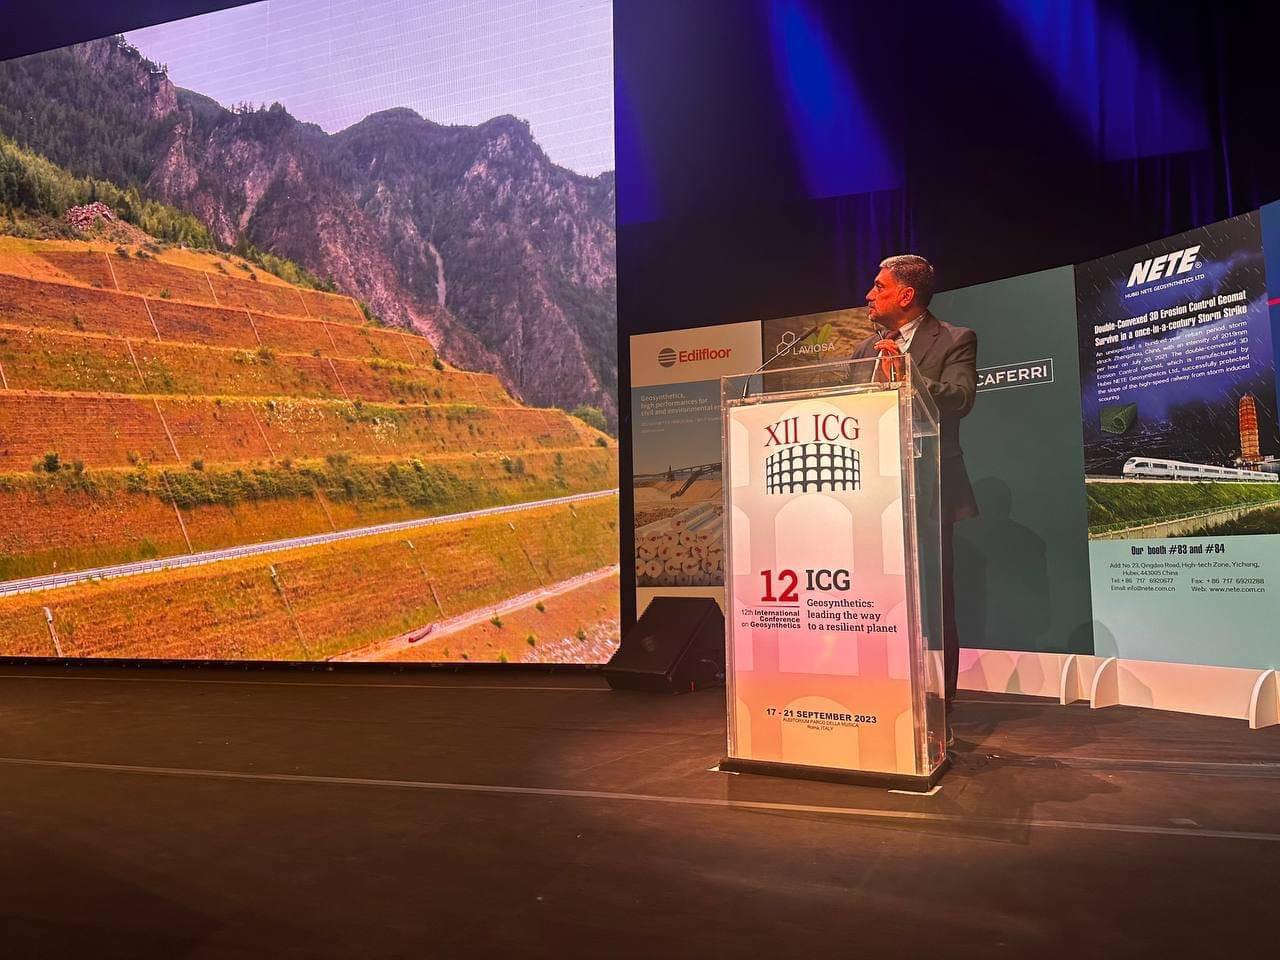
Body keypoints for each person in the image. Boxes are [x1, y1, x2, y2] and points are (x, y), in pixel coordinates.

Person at [851, 254, 978, 744]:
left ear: (906, 295)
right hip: (868, 494)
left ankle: (939, 712)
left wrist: (906, 373)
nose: (869, 294)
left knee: (933, 603)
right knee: (871, 598)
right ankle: (875, 698)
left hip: (928, 489)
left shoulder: (955, 339)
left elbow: (961, 398)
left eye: (879, 286)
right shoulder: (863, 349)